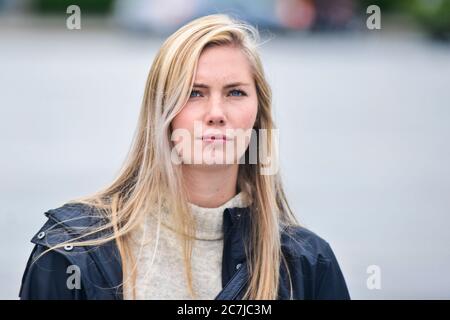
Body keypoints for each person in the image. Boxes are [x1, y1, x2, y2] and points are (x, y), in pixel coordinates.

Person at [19, 14, 350, 300]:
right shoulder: (73, 250)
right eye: (194, 93)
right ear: (161, 111)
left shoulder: (306, 266)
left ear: (257, 115)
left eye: (235, 92)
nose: (216, 113)